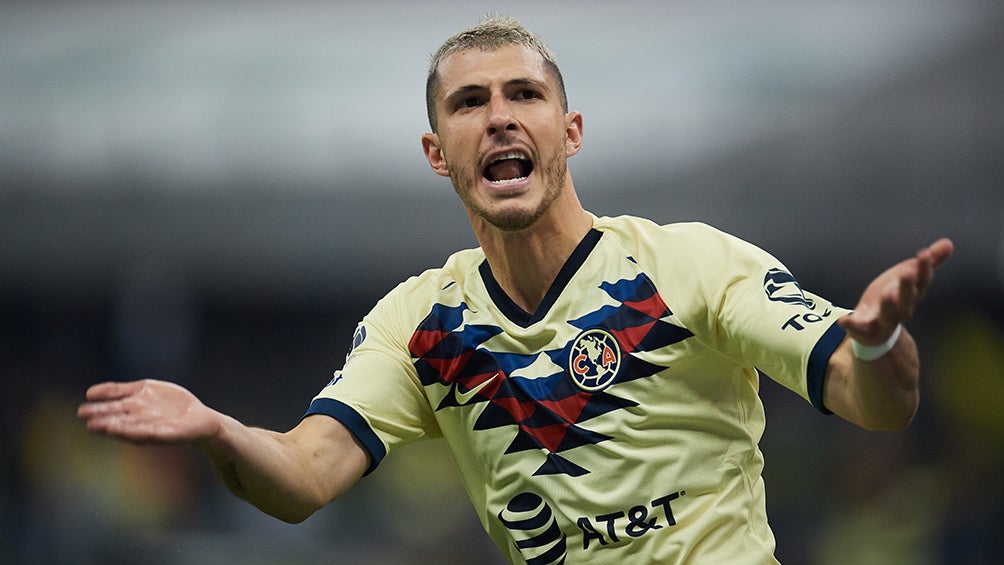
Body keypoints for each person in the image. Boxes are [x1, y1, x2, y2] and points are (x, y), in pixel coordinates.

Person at [78, 15, 954, 564]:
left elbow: (875, 401)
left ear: (569, 133)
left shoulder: (689, 264)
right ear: (437, 153)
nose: (498, 115)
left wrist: (879, 342)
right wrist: (220, 430)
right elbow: (304, 474)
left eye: (524, 94)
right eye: (469, 103)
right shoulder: (422, 324)